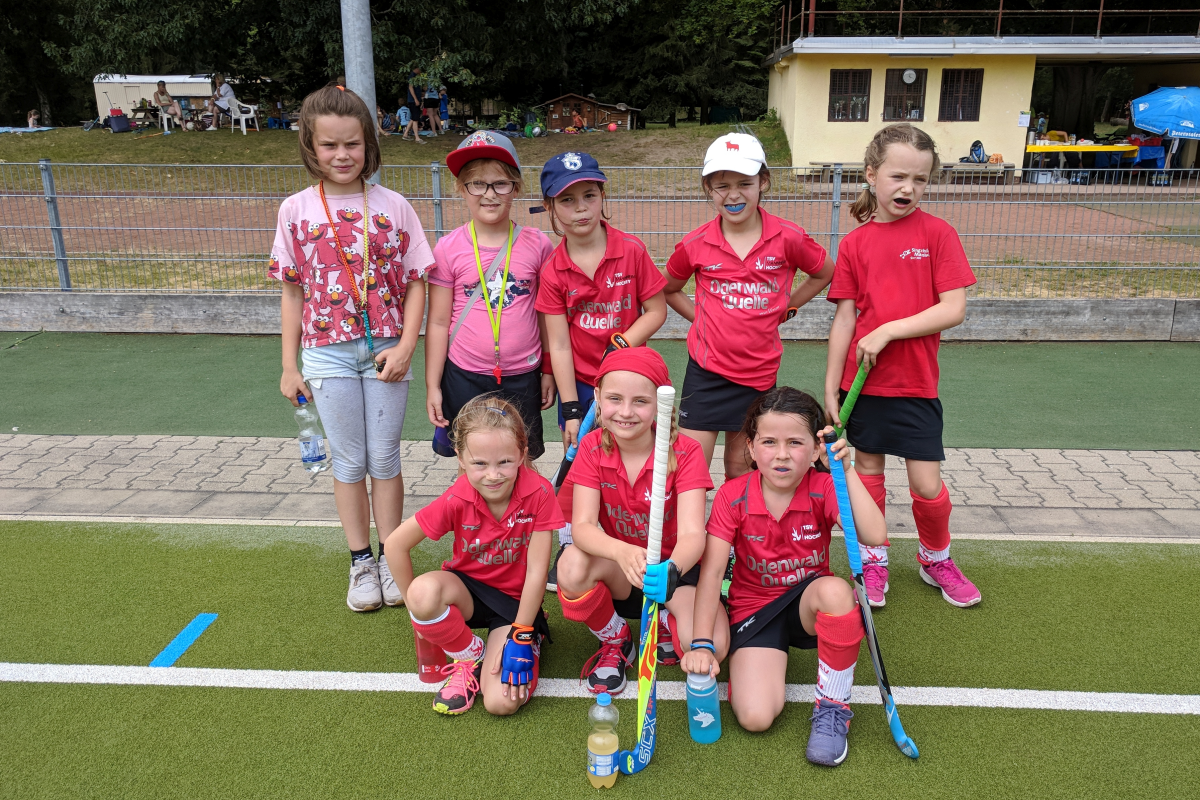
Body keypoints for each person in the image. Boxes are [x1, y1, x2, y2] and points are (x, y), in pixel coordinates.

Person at [269, 84, 433, 612]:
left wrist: (408, 344)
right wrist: (289, 366)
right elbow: (292, 289)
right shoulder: (295, 210)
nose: (342, 156)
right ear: (310, 147)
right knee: (349, 461)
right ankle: (360, 561)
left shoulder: (394, 205)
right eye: (329, 146)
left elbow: (416, 282)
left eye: (353, 145)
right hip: (327, 355)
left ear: (369, 145)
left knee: (384, 458)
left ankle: (391, 558)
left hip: (387, 349)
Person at [683, 387, 885, 766]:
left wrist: (846, 470)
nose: (781, 454)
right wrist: (701, 643)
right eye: (769, 442)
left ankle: (833, 709)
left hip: (807, 603)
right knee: (755, 718)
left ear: (815, 450)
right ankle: (764, 660)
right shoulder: (732, 495)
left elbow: (874, 534)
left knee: (837, 593)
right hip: (753, 609)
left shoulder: (824, 486)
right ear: (751, 446)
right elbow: (710, 576)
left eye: (795, 443)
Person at [825, 122, 980, 610]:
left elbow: (953, 308)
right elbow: (846, 318)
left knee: (926, 485)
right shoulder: (854, 244)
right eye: (897, 177)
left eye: (921, 179)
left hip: (915, 387)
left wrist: (889, 329)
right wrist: (831, 385)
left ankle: (936, 559)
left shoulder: (938, 234)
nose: (908, 188)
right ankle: (873, 561)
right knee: (867, 471)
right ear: (872, 174)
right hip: (863, 386)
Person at [662, 133, 834, 481]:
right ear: (708, 188)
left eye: (745, 182)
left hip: (758, 374)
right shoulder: (695, 243)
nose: (734, 194)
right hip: (706, 371)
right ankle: (689, 534)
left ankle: (738, 532)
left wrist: (789, 306)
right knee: (689, 467)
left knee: (740, 465)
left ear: (763, 182)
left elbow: (824, 273)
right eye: (722, 185)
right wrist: (703, 318)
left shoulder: (789, 237)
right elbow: (668, 288)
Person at [555, 347, 721, 693]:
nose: (626, 412)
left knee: (710, 647)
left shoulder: (686, 452)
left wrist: (670, 569)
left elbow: (694, 534)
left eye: (641, 402)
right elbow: (583, 527)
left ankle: (664, 619)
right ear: (598, 398)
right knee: (571, 566)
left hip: (676, 571)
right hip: (623, 567)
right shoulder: (590, 448)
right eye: (615, 399)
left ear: (662, 406)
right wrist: (620, 552)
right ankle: (617, 640)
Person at [385, 394, 563, 715]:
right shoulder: (456, 498)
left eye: (504, 462)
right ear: (460, 457)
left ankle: (529, 639)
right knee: (423, 594)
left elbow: (538, 571)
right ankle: (468, 656)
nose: (493, 475)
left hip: (514, 602)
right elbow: (396, 544)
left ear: (522, 454)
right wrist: (417, 612)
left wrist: (521, 633)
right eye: (480, 463)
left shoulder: (539, 493)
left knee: (500, 703)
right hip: (466, 591)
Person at [425, 131, 557, 466]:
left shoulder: (537, 244)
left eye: (500, 184)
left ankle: (522, 520)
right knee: (471, 464)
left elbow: (546, 315)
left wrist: (548, 371)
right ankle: (472, 521)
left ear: (516, 187)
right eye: (477, 184)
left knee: (520, 461)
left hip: (522, 374)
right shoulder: (449, 248)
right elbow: (439, 323)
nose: (489, 194)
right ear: (461, 189)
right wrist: (433, 386)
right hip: (464, 374)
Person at [535, 151, 668, 451]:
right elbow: (559, 344)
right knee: (586, 461)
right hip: (581, 385)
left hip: (629, 378)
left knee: (630, 453)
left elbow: (657, 311)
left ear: (603, 196)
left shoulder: (632, 250)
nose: (581, 208)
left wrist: (620, 345)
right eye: (567, 200)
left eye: (589, 196)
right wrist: (570, 408)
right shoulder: (552, 270)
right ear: (549, 206)